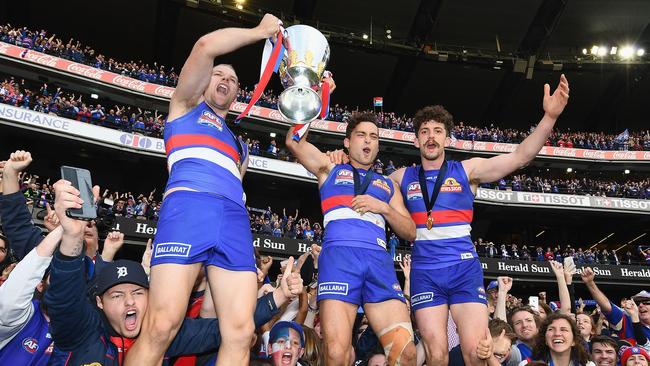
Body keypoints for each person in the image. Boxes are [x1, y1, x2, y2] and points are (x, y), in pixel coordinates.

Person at [330, 75, 570, 365]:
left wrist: (549, 117)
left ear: (447, 137)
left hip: (463, 270)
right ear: (416, 138)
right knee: (436, 355)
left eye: (438, 131)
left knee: (476, 353)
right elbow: (362, 176)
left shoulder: (467, 171)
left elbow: (520, 156)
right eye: (425, 131)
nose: (431, 136)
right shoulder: (400, 178)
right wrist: (338, 157)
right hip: (425, 273)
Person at [125, 14, 283, 366]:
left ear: (238, 92)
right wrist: (260, 33)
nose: (226, 80)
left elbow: (237, 188)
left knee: (241, 334)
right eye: (219, 75)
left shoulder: (239, 147)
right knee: (162, 325)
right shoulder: (184, 107)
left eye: (233, 79)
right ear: (203, 82)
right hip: (189, 207)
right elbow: (205, 46)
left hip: (233, 220)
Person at [286, 112, 417, 366]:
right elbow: (293, 141)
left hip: (378, 262)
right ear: (347, 142)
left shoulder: (388, 186)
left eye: (373, 137)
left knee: (407, 355)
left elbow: (410, 232)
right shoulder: (329, 168)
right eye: (361, 135)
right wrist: (313, 105)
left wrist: (384, 208)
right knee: (336, 354)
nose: (368, 141)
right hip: (339, 260)